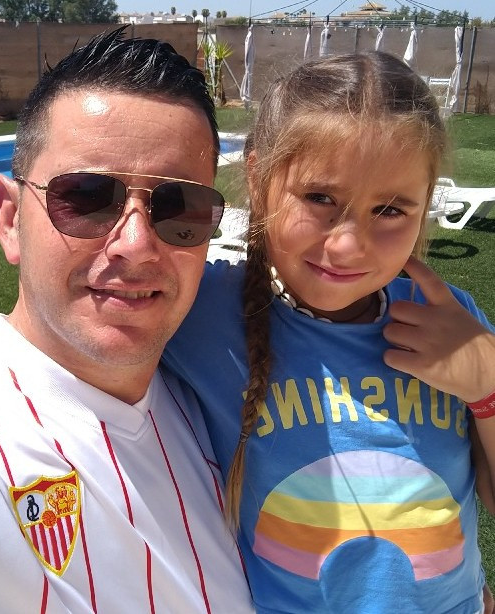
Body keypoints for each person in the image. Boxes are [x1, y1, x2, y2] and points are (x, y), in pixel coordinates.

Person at [0, 28, 254, 613]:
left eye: (179, 208)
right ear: (10, 220)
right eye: (86, 197)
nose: (136, 245)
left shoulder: (211, 407)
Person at [164, 51, 495, 613]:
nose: (347, 246)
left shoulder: (452, 322)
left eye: (390, 210)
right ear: (258, 178)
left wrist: (487, 389)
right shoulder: (202, 314)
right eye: (320, 199)